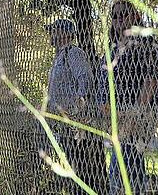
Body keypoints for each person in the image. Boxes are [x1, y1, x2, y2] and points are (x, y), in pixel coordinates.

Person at [98, 0, 158, 195]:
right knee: (126, 162)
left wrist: (137, 112)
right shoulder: (113, 47)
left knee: (125, 163)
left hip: (137, 111)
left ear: (136, 16)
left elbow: (151, 79)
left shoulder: (146, 42)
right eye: (115, 16)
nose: (118, 19)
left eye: (124, 14)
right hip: (116, 113)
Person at [45, 19, 105, 195]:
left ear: (67, 34)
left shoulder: (74, 53)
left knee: (80, 167)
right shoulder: (59, 56)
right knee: (71, 166)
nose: (51, 34)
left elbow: (85, 80)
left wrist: (78, 109)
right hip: (62, 122)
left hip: (74, 122)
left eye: (55, 30)